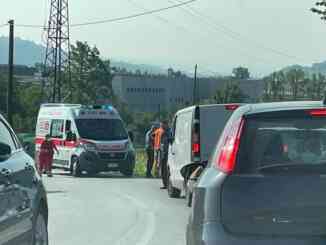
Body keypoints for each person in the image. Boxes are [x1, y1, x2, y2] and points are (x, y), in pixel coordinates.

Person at [158, 120, 171, 189]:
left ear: (166, 125)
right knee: (163, 169)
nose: (161, 127)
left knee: (166, 169)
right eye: (161, 125)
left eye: (162, 125)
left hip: (168, 153)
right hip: (163, 152)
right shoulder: (163, 132)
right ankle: (165, 184)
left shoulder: (169, 132)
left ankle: (167, 184)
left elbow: (169, 141)